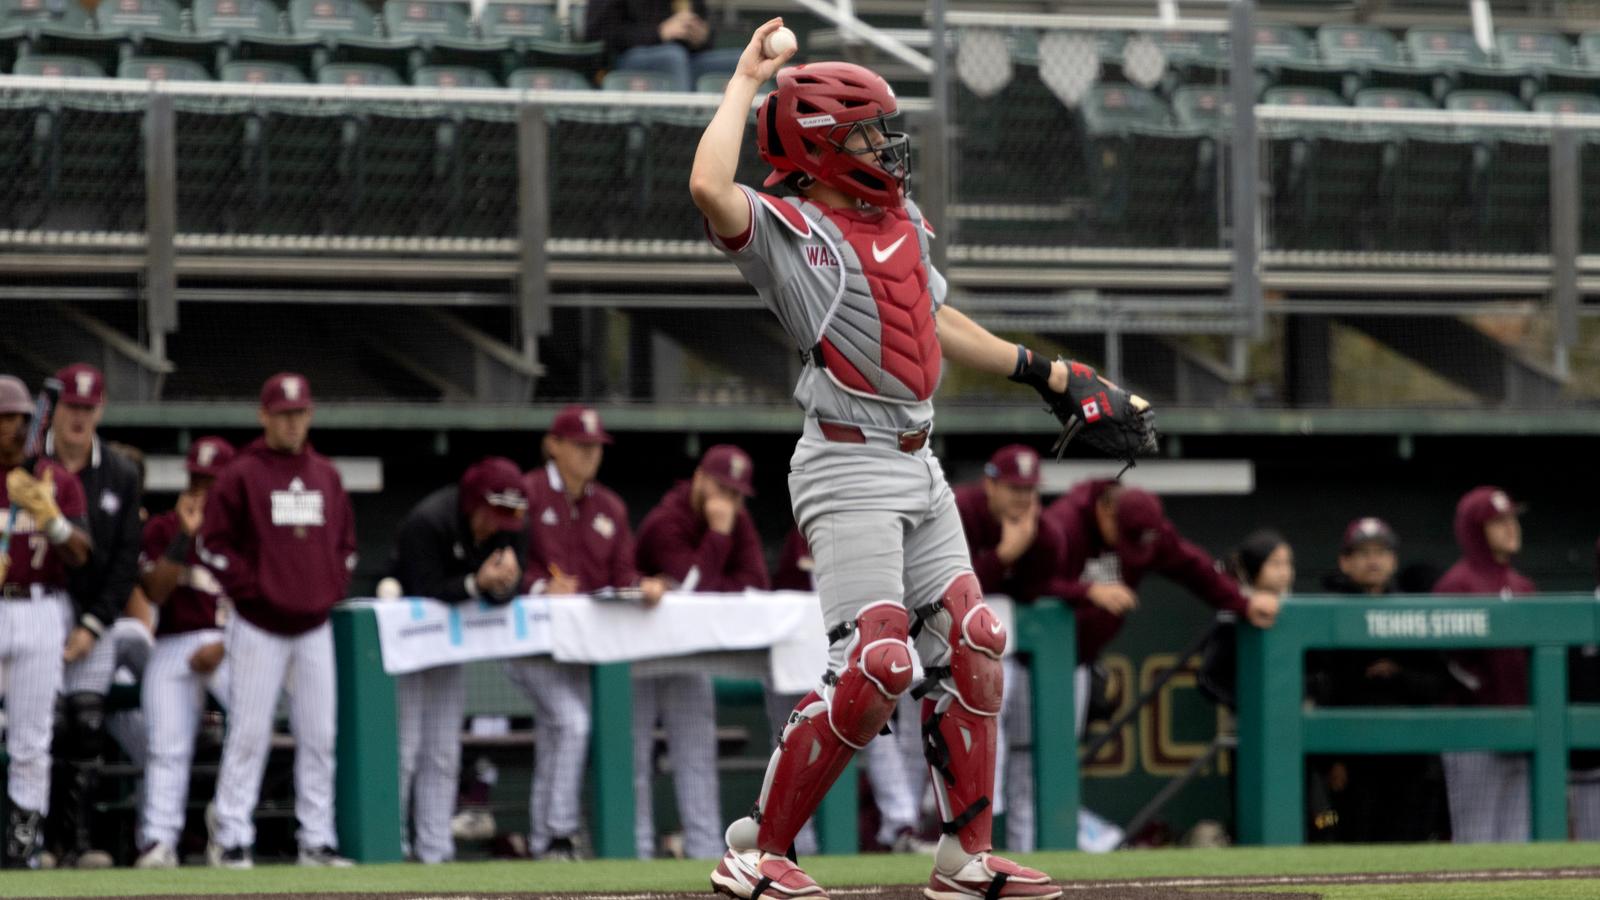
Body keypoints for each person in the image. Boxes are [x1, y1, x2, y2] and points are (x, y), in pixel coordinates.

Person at [690, 19, 1152, 894]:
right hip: (847, 460)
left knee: (977, 640)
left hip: (919, 457)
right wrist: (747, 78)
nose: (884, 146)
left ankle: (962, 859)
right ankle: (761, 850)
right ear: (823, 143)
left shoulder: (894, 218)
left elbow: (932, 322)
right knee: (877, 664)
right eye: (865, 132)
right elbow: (710, 187)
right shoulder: (790, 232)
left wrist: (1049, 372)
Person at [197, 373, 357, 868]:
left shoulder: (326, 474)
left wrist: (326, 589)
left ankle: (317, 838)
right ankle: (232, 836)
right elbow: (211, 545)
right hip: (258, 625)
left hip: (313, 625)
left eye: (300, 412)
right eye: (284, 413)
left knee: (320, 735)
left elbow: (346, 546)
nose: (293, 422)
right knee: (248, 731)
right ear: (264, 415)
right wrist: (257, 589)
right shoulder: (241, 474)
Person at [514, 404, 665, 860]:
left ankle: (546, 842)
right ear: (552, 445)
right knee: (572, 725)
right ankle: (559, 834)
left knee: (559, 734)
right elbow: (503, 563)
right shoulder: (526, 493)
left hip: (584, 648)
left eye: (595, 447)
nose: (589, 455)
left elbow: (622, 573)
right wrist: (540, 585)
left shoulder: (610, 506)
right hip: (529, 643)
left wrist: (643, 587)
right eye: (580, 446)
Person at [388, 457, 529, 864]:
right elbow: (426, 586)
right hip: (407, 646)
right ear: (472, 503)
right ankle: (392, 845)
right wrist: (476, 583)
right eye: (493, 513)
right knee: (404, 746)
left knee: (443, 749)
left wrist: (504, 585)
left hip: (451, 649)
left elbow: (506, 591)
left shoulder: (513, 528)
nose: (499, 525)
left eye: (507, 516)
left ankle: (435, 850)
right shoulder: (428, 522)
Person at [633, 445, 768, 859]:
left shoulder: (735, 521)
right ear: (700, 478)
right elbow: (693, 592)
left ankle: (706, 851)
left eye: (736, 493)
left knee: (696, 758)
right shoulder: (665, 521)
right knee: (633, 758)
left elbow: (755, 586)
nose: (728, 500)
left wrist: (723, 535)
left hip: (689, 659)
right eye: (721, 488)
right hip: (639, 655)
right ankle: (633, 851)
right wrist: (719, 536)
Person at [43, 363, 143, 869]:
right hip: (34, 606)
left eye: (88, 408)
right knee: (40, 724)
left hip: (93, 614)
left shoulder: (120, 474)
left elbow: (126, 562)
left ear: (100, 409)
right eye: (71, 408)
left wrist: (93, 626)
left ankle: (75, 844)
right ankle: (31, 841)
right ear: (55, 409)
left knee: (84, 721)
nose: (78, 418)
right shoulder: (26, 464)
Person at [1304, 518, 1450, 844]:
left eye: (1381, 552)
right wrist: (1330, 760)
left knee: (1409, 846)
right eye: (1363, 552)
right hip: (1353, 761)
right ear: (1345, 561)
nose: (1373, 560)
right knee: (1358, 846)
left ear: (1394, 560)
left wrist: (1399, 674)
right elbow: (1318, 692)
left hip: (1410, 755)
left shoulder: (1415, 610)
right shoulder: (1324, 613)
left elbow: (1437, 683)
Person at [0, 375, 93, 870]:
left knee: (32, 740)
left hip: (40, 609)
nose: (13, 431)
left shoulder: (58, 479)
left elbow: (82, 556)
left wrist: (50, 516)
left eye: (18, 421)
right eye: (3, 421)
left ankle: (22, 848)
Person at [953, 444, 1064, 853]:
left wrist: (1021, 552)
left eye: (1029, 490)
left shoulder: (1044, 532)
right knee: (920, 752)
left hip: (1002, 658)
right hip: (932, 651)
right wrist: (1003, 556)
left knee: (1020, 751)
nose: (1023, 498)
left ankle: (1020, 847)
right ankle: (910, 835)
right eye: (1014, 488)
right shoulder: (959, 511)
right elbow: (948, 586)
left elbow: (1041, 591)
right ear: (990, 484)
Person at [133, 436, 237, 869]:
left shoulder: (246, 529)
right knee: (165, 745)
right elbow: (155, 593)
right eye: (196, 479)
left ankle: (232, 832)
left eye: (211, 481)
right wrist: (182, 537)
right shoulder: (163, 527)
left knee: (252, 732)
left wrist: (226, 643)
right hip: (175, 642)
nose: (202, 489)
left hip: (236, 642)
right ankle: (159, 841)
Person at [1041, 481, 1280, 667]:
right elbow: (1031, 584)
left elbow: (1193, 568)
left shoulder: (1149, 529)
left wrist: (1244, 603)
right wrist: (1089, 591)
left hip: (1081, 660)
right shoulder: (1065, 524)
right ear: (1105, 511)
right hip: (1036, 655)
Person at [1434, 486, 1534, 844]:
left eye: (1512, 519)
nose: (1511, 528)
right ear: (1475, 530)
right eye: (1498, 522)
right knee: (1476, 841)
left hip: (1526, 732)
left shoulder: (1523, 586)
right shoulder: (1455, 585)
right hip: (1474, 735)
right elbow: (1445, 664)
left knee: (1518, 844)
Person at [586, 0, 742, 92]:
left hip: (687, 60)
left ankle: (752, 138)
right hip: (626, 60)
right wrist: (659, 32)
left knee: (739, 60)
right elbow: (599, 34)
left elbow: (705, 29)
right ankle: (681, 132)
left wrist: (702, 36)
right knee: (672, 57)